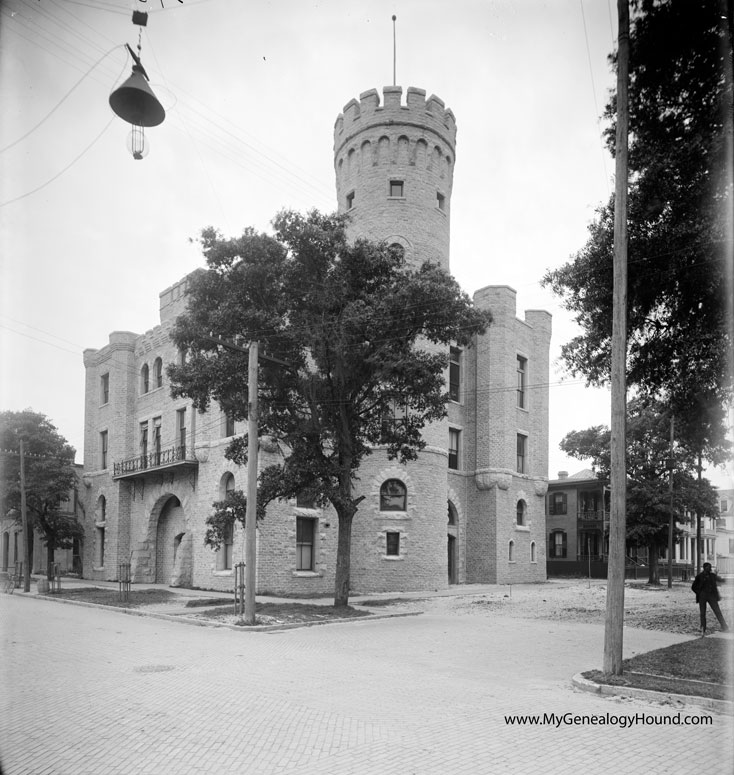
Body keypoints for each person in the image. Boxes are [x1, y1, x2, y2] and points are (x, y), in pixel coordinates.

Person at [691, 562, 729, 635]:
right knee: (703, 613)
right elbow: (693, 587)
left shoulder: (712, 575)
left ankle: (724, 627)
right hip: (703, 596)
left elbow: (721, 580)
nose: (710, 569)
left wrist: (725, 578)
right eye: (708, 567)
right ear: (704, 568)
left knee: (717, 611)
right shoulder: (699, 576)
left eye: (710, 567)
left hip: (711, 596)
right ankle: (703, 628)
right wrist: (699, 593)